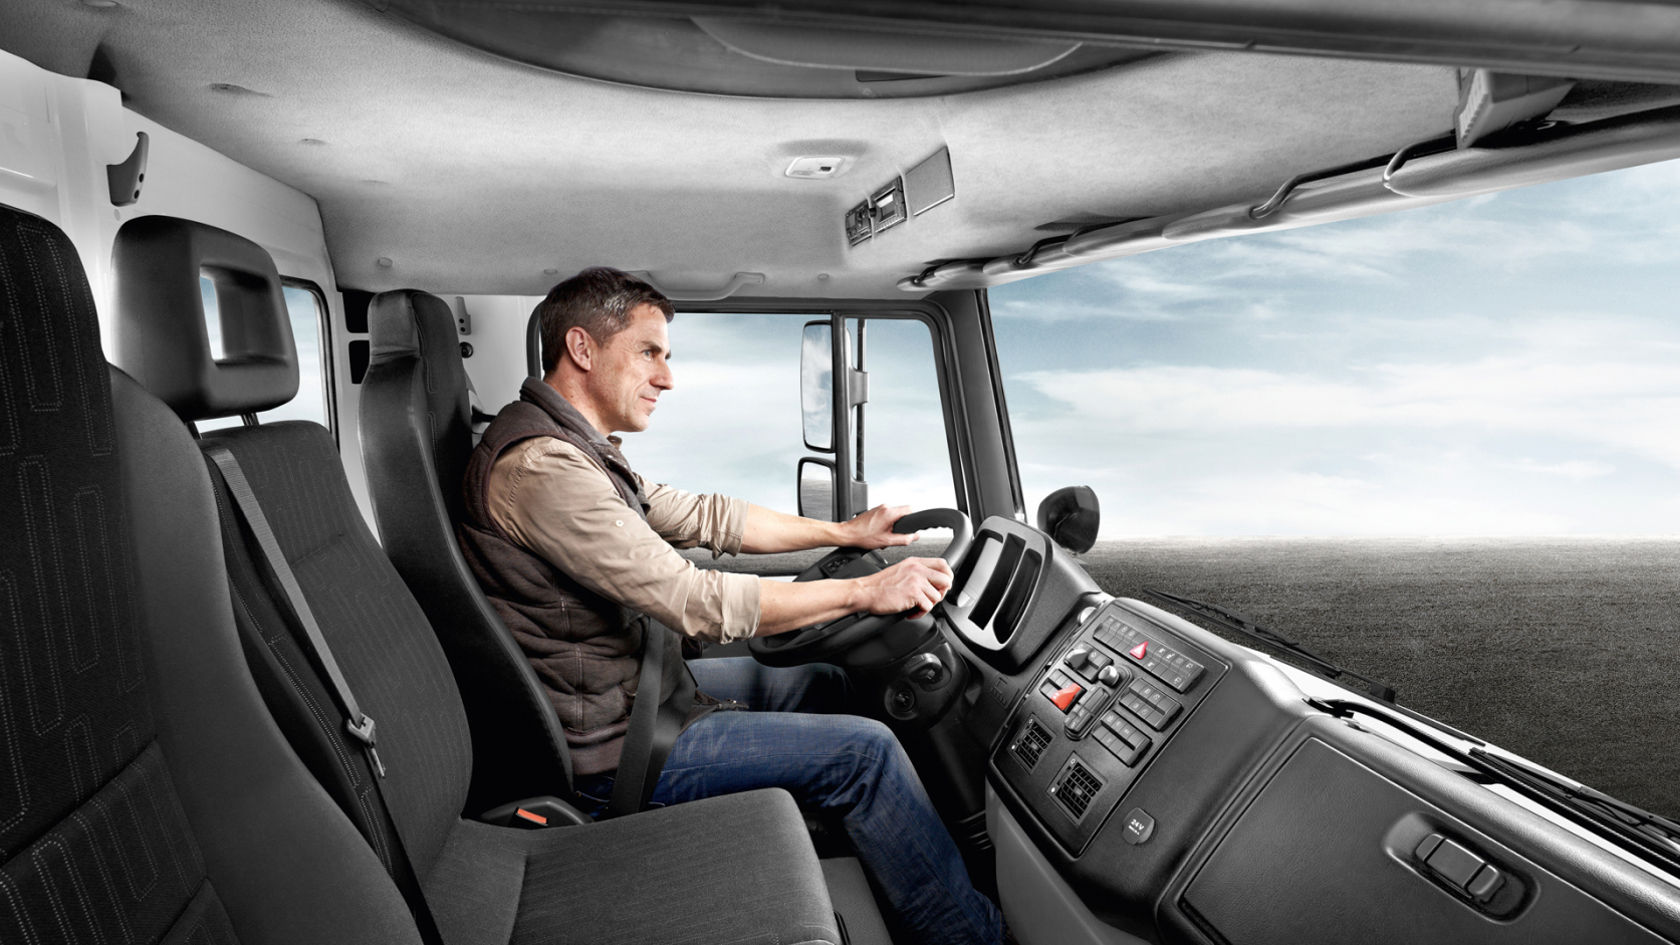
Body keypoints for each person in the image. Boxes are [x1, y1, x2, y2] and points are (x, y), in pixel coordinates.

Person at [458, 267, 1003, 945]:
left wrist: (844, 533)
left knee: (828, 680)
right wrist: (865, 589)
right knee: (867, 755)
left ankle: (900, 873)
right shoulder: (543, 469)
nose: (667, 377)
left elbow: (707, 518)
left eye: (668, 356)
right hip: (615, 751)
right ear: (582, 348)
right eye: (650, 351)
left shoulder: (573, 447)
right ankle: (973, 936)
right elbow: (694, 600)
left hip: (635, 696)